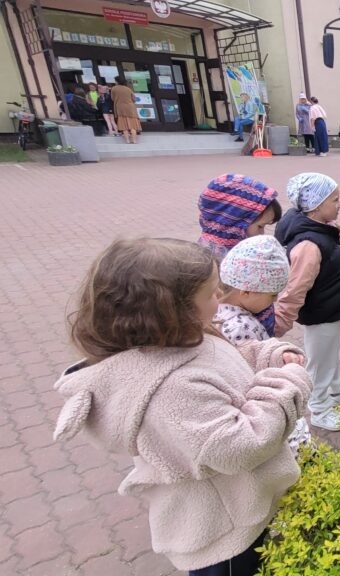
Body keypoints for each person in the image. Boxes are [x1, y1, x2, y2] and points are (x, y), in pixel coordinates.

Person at [53, 238, 312, 576]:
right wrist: (287, 384)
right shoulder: (171, 389)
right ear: (172, 309)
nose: (221, 295)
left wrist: (269, 356)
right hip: (227, 531)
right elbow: (240, 446)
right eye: (212, 292)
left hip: (244, 505)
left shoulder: (184, 338)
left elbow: (226, 364)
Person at [275, 172, 340, 432]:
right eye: (334, 200)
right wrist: (282, 320)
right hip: (321, 313)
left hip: (330, 309)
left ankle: (337, 390)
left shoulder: (320, 229)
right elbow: (295, 288)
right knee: (319, 362)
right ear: (316, 206)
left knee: (330, 355)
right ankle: (319, 409)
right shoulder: (309, 243)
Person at [215, 235, 311, 455]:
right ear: (246, 291)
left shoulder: (218, 313)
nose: (275, 300)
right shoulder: (241, 327)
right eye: (272, 294)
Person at [197, 173, 283, 336]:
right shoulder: (216, 264)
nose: (262, 234)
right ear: (234, 223)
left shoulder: (238, 251)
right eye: (260, 226)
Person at [111, 76, 141, 144]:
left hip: (120, 108)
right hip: (130, 109)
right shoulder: (128, 89)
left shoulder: (114, 88)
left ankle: (127, 141)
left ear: (117, 81)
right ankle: (134, 140)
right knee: (133, 126)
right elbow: (134, 99)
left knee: (124, 126)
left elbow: (112, 98)